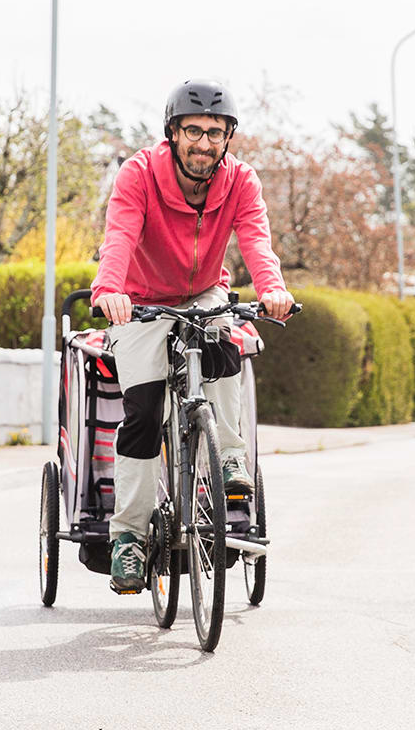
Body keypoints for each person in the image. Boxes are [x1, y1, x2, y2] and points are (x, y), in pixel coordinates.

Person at [90, 80, 293, 594]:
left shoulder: (241, 181)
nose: (204, 144)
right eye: (194, 132)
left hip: (205, 293)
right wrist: (110, 289)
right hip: (139, 299)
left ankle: (227, 456)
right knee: (140, 411)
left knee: (226, 348)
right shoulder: (138, 173)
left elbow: (256, 241)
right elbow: (120, 235)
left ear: (228, 138)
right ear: (173, 132)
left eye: (216, 133)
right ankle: (129, 539)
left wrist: (273, 290)